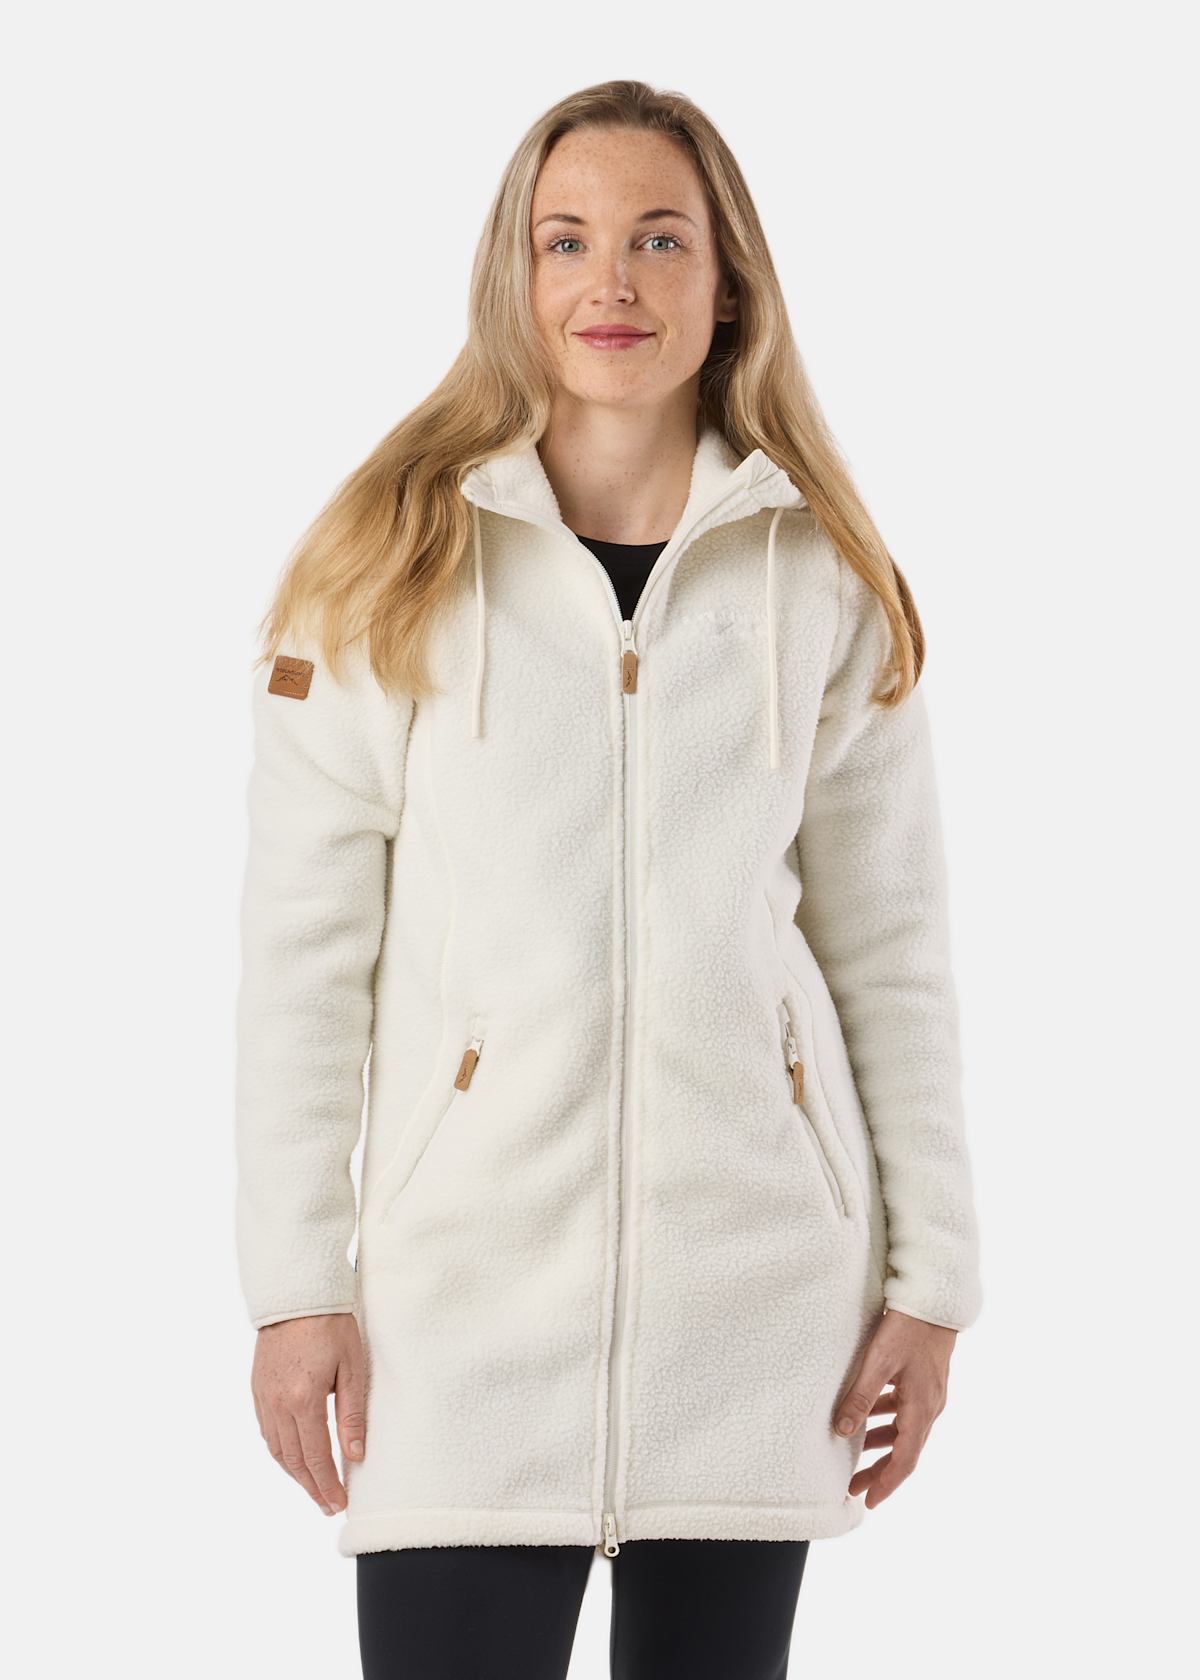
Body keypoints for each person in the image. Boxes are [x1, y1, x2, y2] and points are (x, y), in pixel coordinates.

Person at [234, 78, 983, 1680]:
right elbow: (303, 954)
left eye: (660, 238)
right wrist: (295, 1286)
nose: (612, 282)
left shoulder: (824, 578)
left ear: (730, 284)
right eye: (565, 240)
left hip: (754, 1314)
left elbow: (892, 949)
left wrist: (934, 1283)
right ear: (515, 277)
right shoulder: (388, 562)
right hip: (460, 1318)